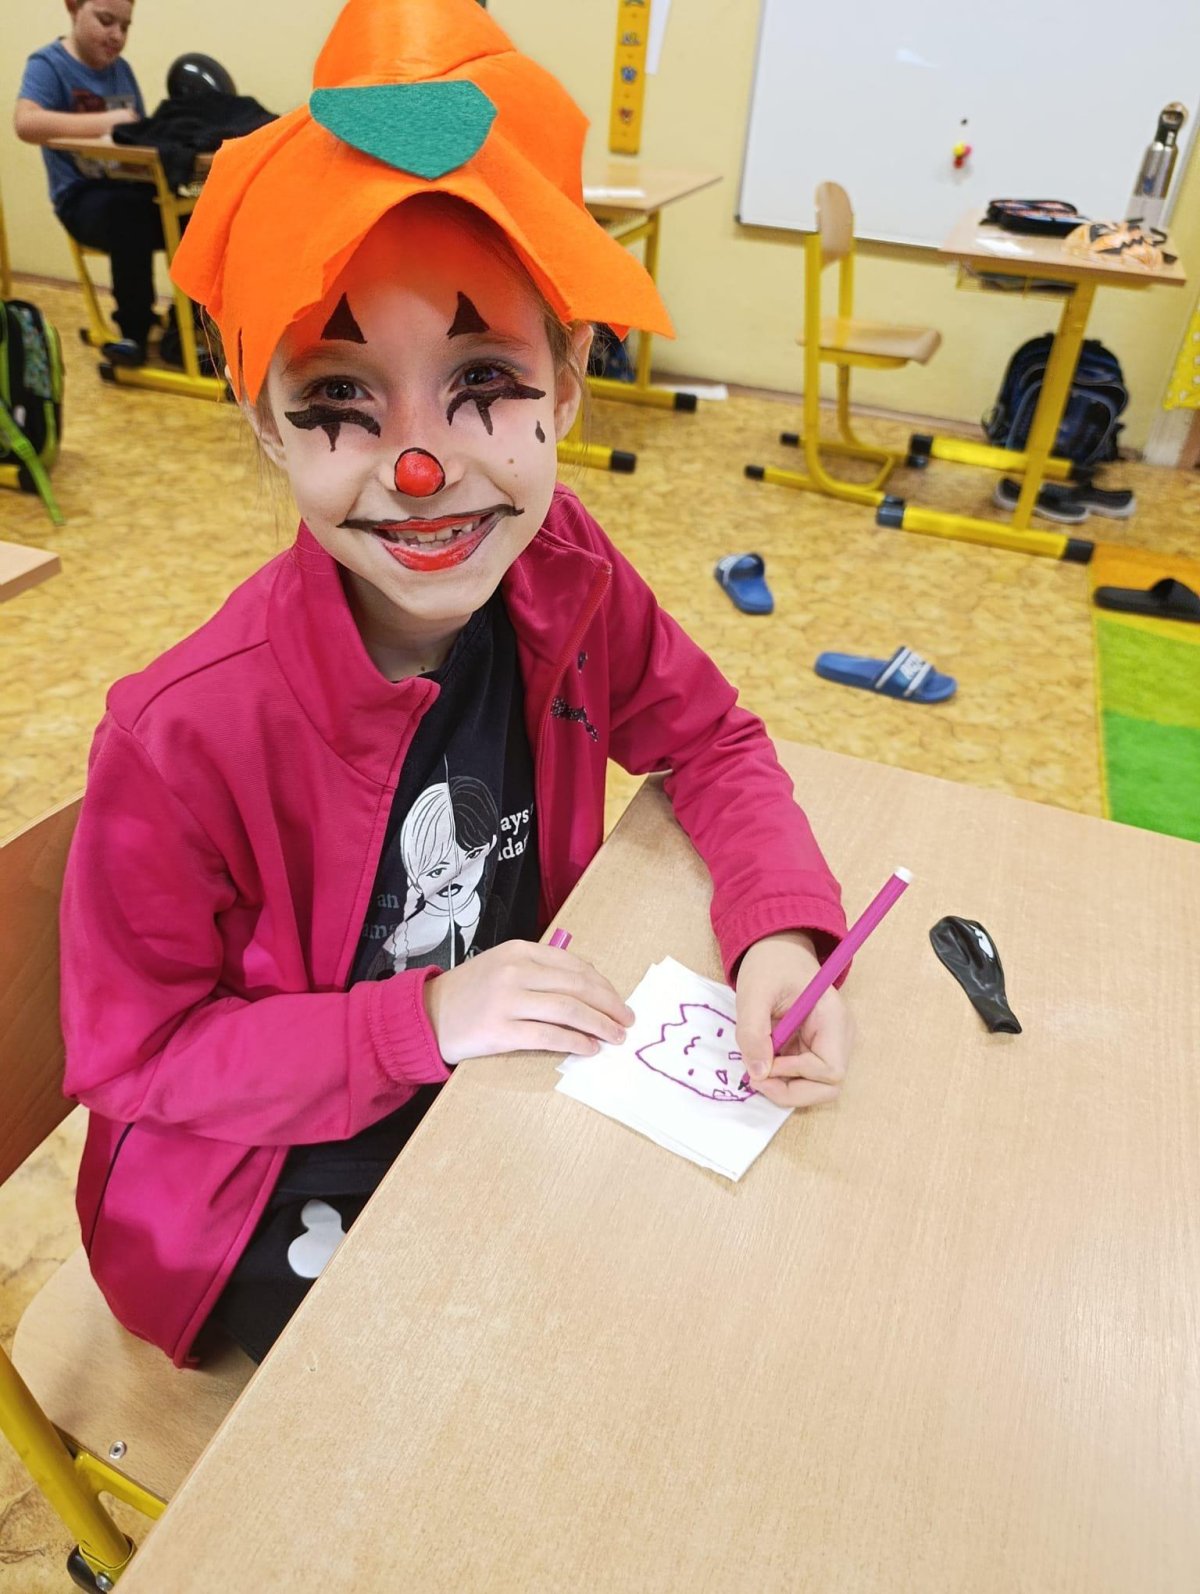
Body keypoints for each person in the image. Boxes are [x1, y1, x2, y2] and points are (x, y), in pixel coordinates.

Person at [60, 0, 854, 1368]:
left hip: (493, 1089)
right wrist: (416, 1019)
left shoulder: (564, 574)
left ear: (569, 383)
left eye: (481, 378)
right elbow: (140, 1059)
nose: (420, 470)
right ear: (264, 425)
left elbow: (713, 739)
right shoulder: (181, 734)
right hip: (261, 1190)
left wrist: (779, 930)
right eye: (340, 400)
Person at [15, 0, 161, 366]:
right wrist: (107, 122)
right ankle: (134, 331)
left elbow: (137, 135)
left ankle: (192, 327)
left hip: (128, 188)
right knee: (129, 213)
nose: (117, 35)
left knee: (199, 212)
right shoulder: (49, 64)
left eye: (125, 27)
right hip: (82, 198)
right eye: (106, 20)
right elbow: (26, 123)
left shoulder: (121, 70)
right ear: (73, 7)